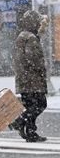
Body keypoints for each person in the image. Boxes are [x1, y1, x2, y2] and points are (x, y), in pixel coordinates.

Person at [11, 10, 48, 143]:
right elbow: (33, 58)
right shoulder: (31, 38)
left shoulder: (22, 36)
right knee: (40, 104)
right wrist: (42, 68)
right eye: (38, 22)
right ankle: (20, 121)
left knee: (30, 105)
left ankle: (30, 131)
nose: (39, 25)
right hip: (33, 80)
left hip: (24, 79)